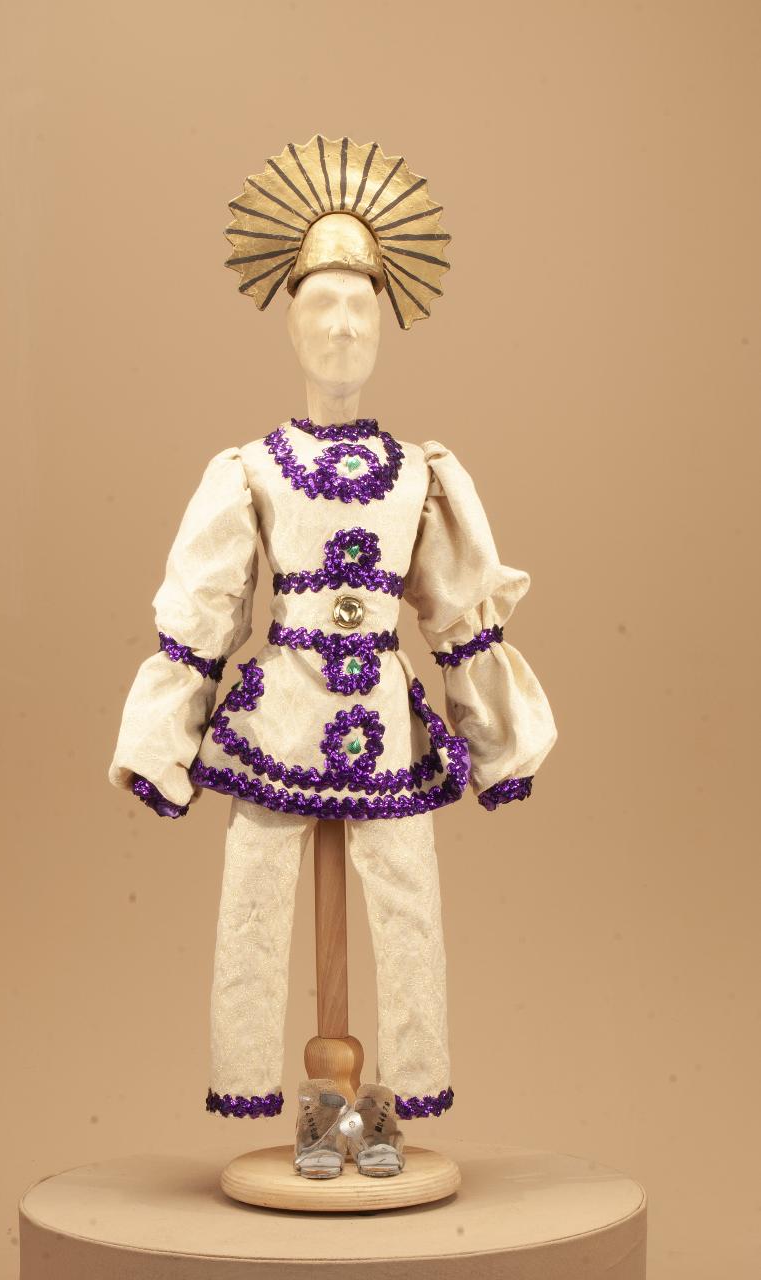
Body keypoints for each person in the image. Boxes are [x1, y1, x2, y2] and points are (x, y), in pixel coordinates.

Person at [108, 136, 557, 1168]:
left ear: (387, 327)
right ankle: (302, 1099)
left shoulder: (422, 474)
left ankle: (385, 1101)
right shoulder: (250, 471)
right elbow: (204, 612)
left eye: (362, 306)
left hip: (384, 723)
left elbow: (459, 617)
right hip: (280, 714)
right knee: (254, 896)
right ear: (289, 323)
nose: (344, 325)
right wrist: (159, 742)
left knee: (408, 902)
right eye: (322, 304)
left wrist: (498, 741)